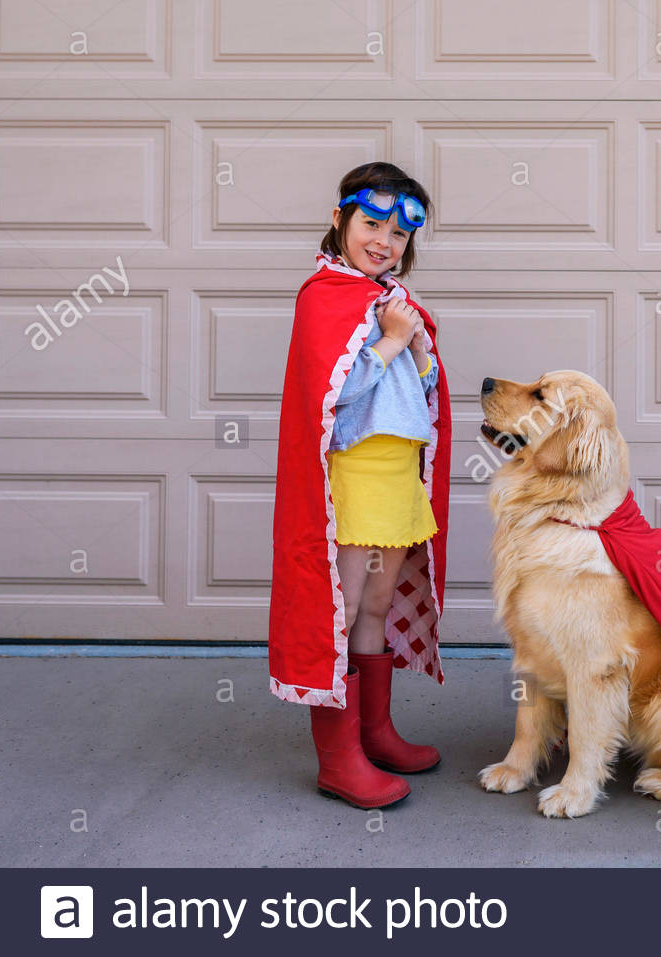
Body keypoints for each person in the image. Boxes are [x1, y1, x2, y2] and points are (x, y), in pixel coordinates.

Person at [268, 161, 452, 809]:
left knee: (375, 606)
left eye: (399, 234)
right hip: (353, 480)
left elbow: (414, 399)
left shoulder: (389, 302)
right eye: (371, 223)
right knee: (342, 612)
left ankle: (375, 734)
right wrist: (392, 340)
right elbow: (337, 402)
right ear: (339, 220)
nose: (384, 241)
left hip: (399, 476)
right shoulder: (326, 294)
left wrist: (417, 350)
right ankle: (338, 761)